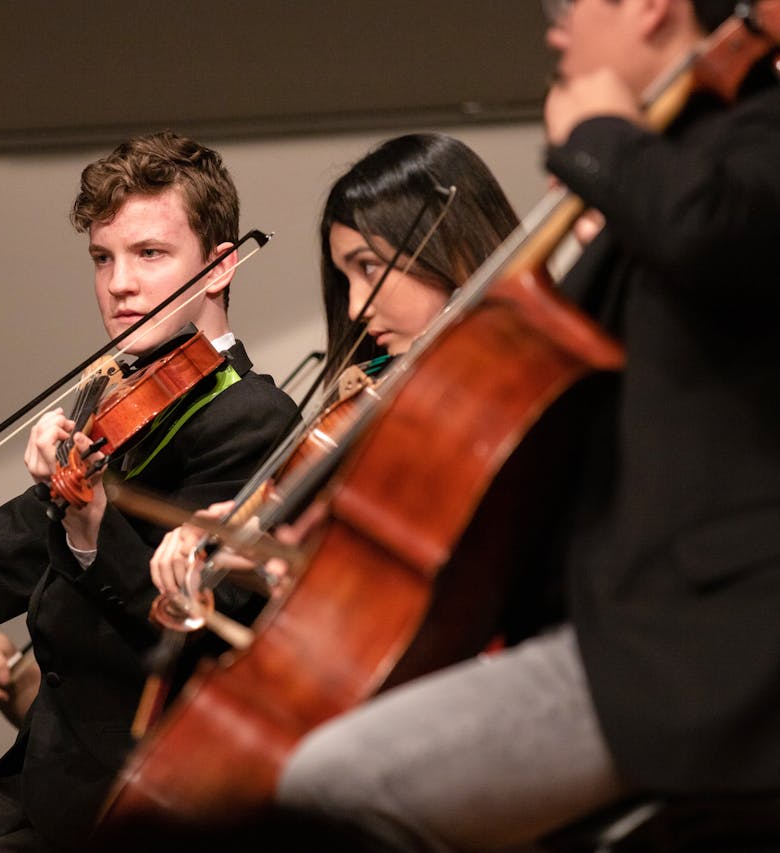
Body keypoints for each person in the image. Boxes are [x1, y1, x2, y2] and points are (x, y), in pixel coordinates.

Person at [269, 1, 780, 850]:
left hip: (728, 650)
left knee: (333, 783)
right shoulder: (658, 193)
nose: (555, 31)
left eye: (570, 8)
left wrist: (604, 134)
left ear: (648, 7)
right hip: (639, 639)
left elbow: (705, 232)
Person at [0, 131, 298, 851]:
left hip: (141, 804)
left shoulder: (253, 420)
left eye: (150, 254)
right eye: (103, 258)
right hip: (40, 787)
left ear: (221, 265)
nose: (119, 284)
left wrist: (91, 525)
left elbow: (189, 631)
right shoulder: (119, 406)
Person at [150, 132, 519, 598]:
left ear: (451, 247)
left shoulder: (519, 395)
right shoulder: (379, 398)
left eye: (368, 267)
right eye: (347, 279)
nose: (356, 308)